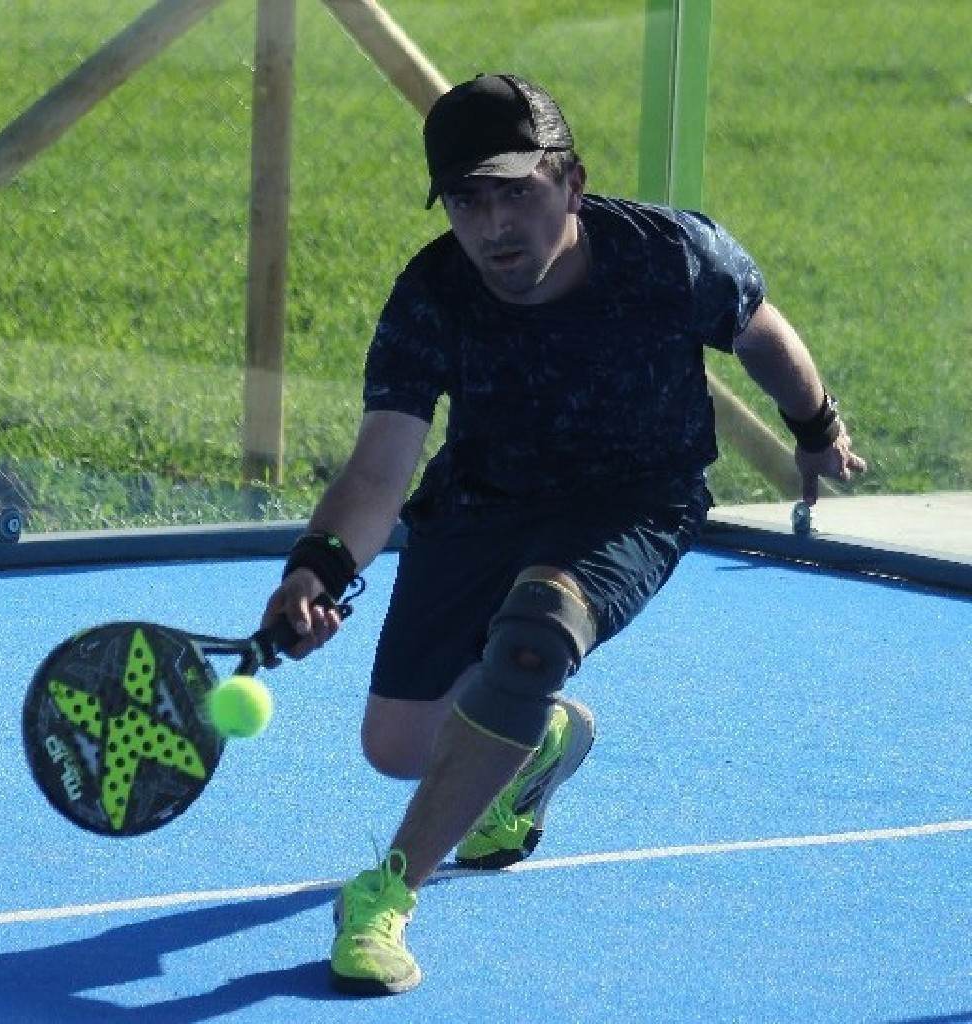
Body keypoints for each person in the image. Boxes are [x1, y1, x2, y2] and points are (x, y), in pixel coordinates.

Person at [260, 73, 866, 996]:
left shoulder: (669, 255)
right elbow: (380, 467)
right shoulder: (432, 293)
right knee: (398, 745)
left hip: (635, 497)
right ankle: (529, 746)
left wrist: (816, 426)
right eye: (468, 200)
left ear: (572, 183)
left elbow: (760, 332)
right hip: (484, 500)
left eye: (516, 192)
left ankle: (386, 893)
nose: (494, 225)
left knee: (536, 635)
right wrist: (319, 566)